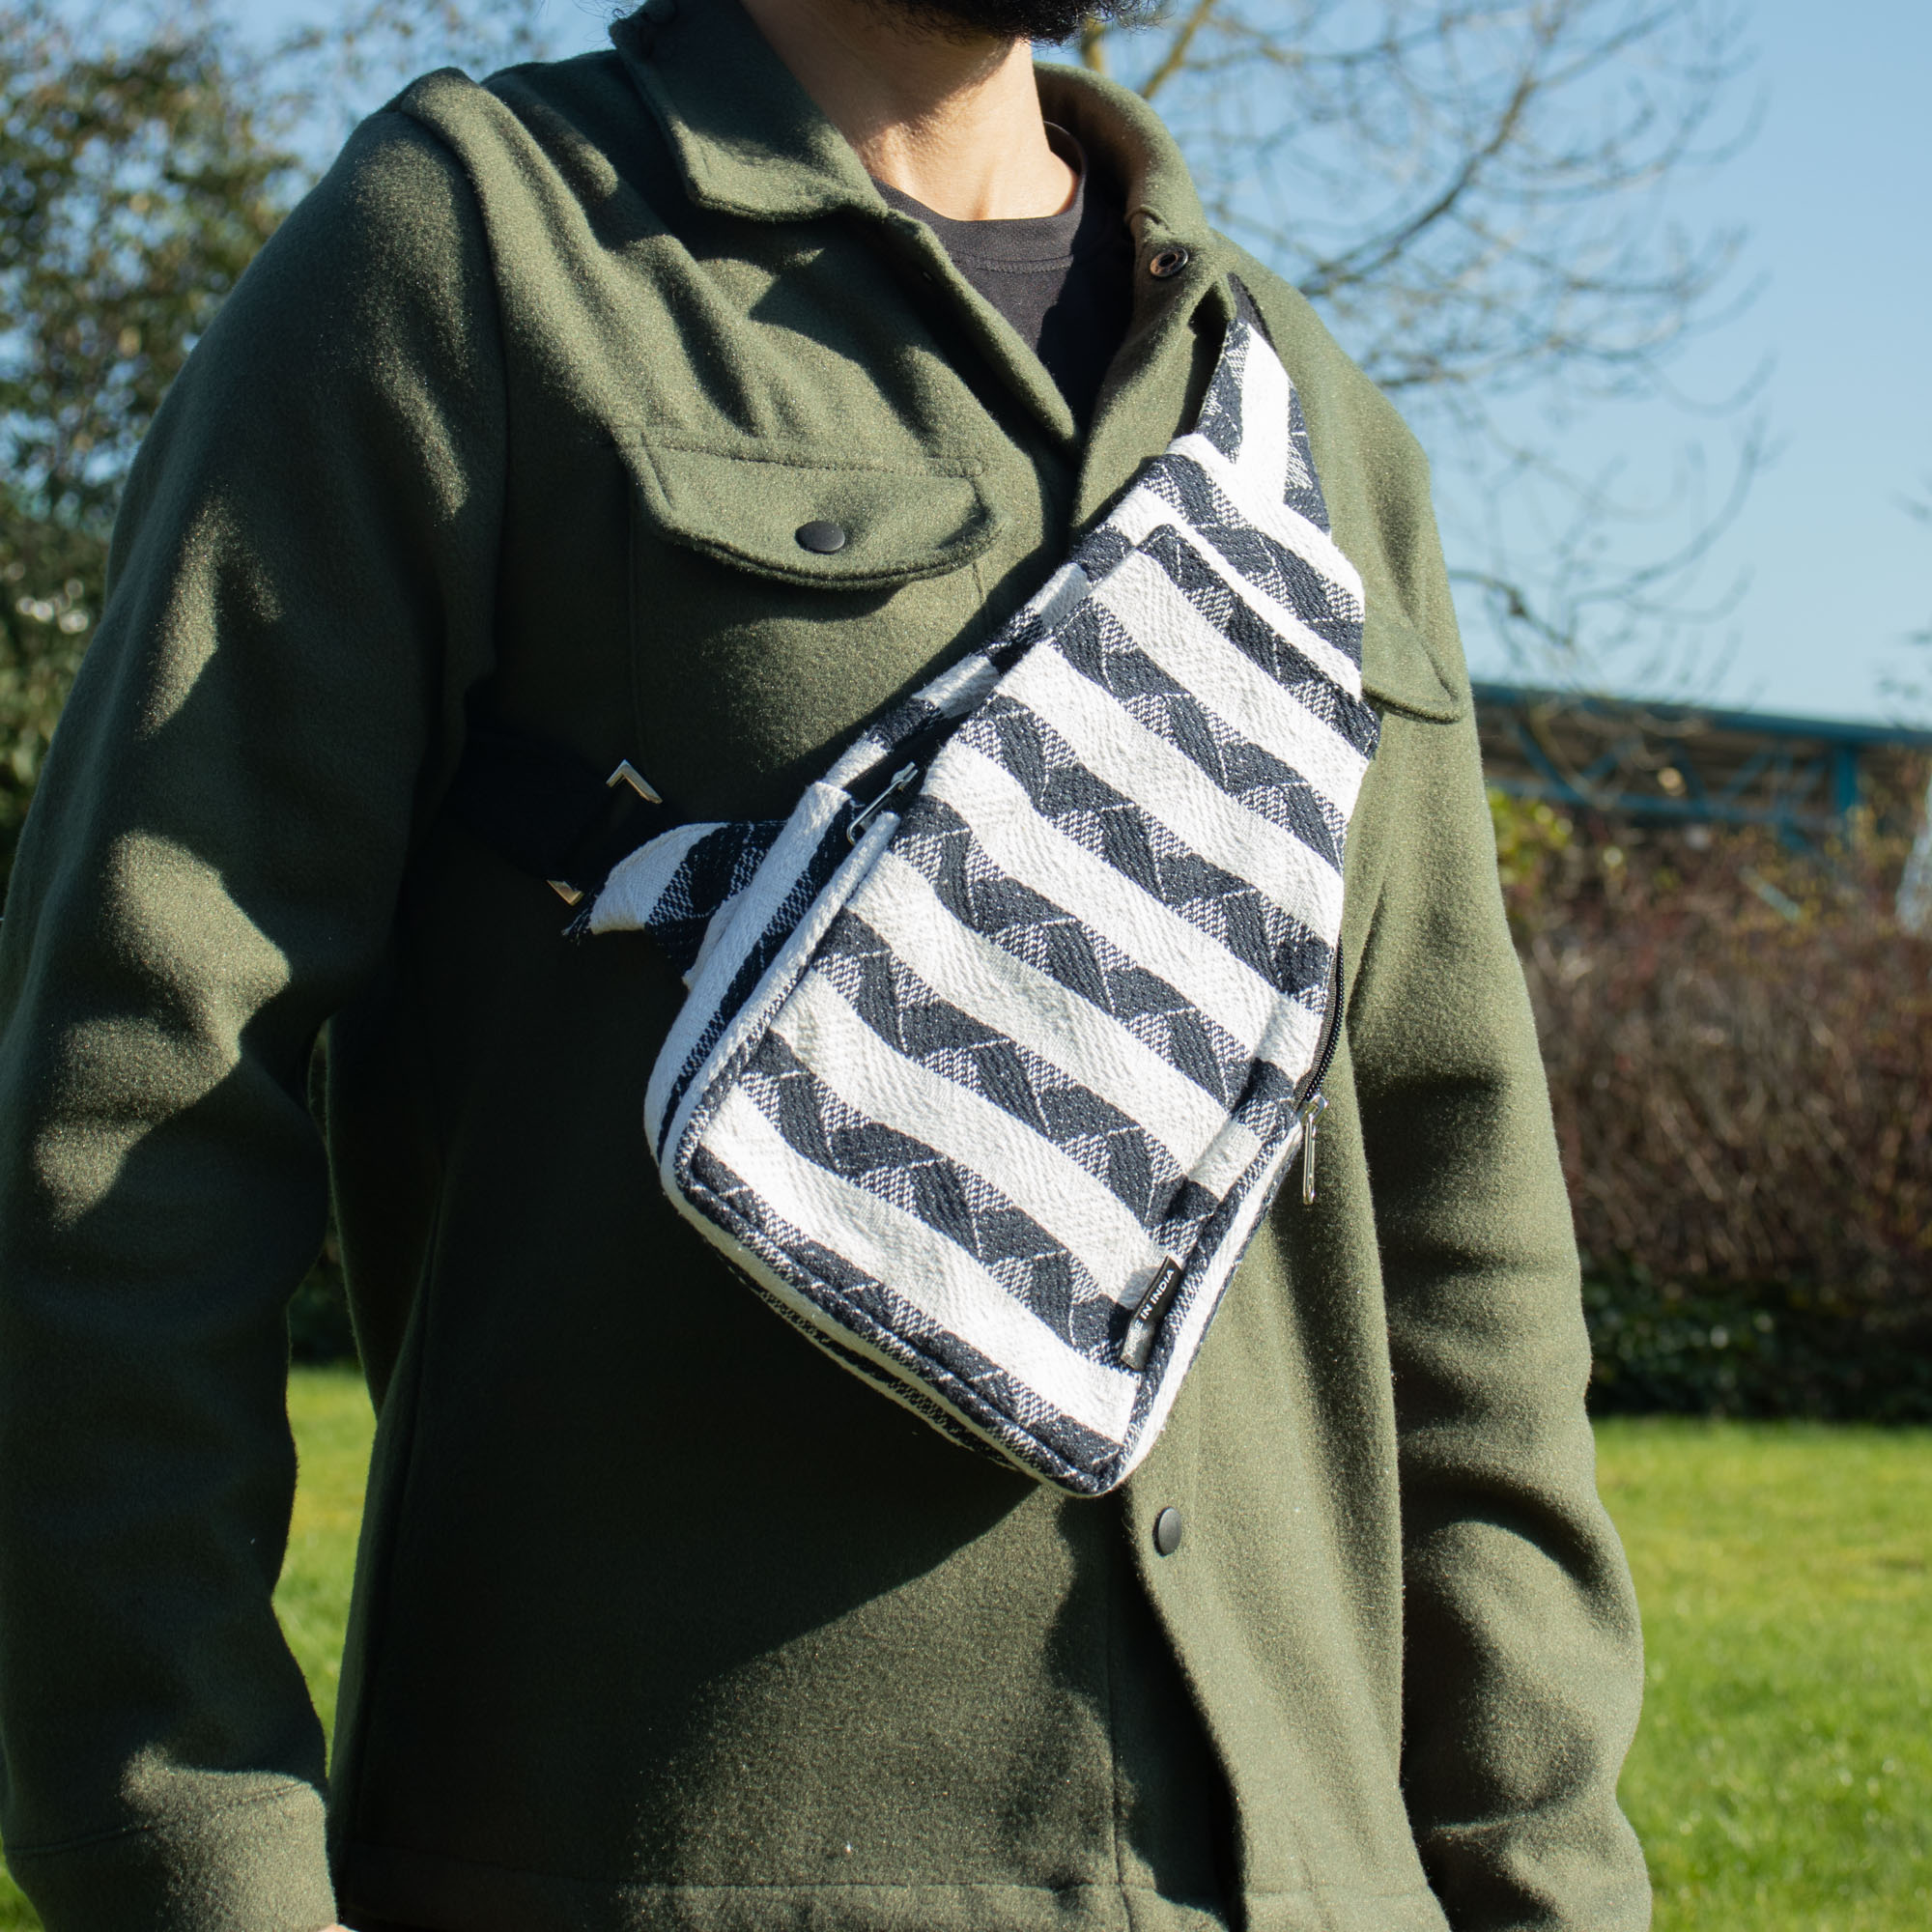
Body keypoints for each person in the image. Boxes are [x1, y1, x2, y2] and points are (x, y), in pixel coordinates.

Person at [0, 0, 1651, 1927]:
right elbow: (121, 1121)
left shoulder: (1305, 427)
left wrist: (1544, 1883)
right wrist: (193, 1870)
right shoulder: (478, 254)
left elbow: (1461, 1246)